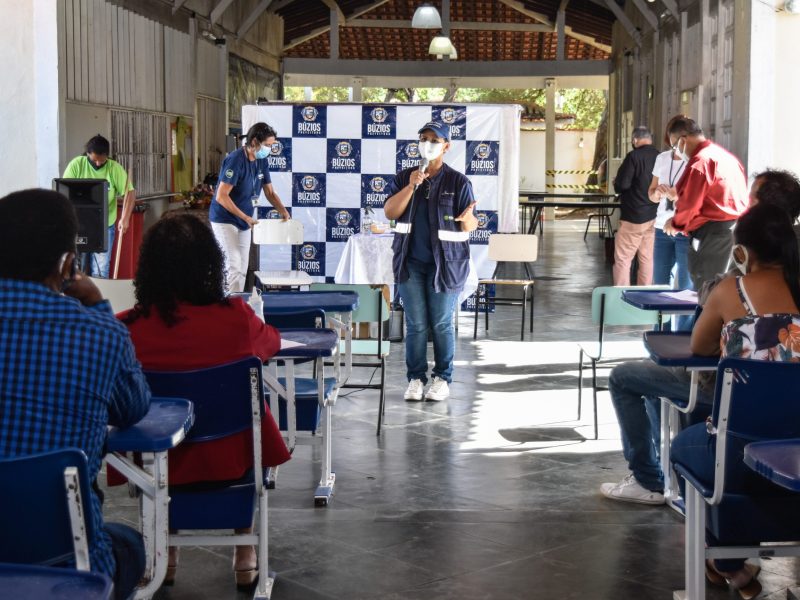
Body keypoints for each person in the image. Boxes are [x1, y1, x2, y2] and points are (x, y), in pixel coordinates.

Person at [118, 212, 291, 587]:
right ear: (211, 265)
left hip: (158, 465)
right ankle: (245, 553)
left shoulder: (127, 327)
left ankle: (167, 549)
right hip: (231, 458)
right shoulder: (237, 318)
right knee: (246, 426)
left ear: (148, 268)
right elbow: (273, 341)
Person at [0, 189, 150, 600]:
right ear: (68, 264)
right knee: (130, 546)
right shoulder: (100, 333)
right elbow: (133, 408)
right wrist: (100, 307)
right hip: (67, 559)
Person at [670, 202, 800, 599]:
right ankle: (728, 563)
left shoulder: (731, 292)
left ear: (742, 252)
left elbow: (700, 345)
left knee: (686, 448)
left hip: (740, 458)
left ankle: (727, 562)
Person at [384, 121, 478, 402]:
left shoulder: (458, 181)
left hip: (446, 265)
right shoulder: (405, 177)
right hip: (410, 263)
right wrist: (412, 186)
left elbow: (470, 223)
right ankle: (415, 379)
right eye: (423, 138)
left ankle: (442, 378)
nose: (428, 143)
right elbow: (390, 211)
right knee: (415, 324)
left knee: (440, 323)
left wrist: (469, 221)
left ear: (446, 146)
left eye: (435, 140)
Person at [660, 118, 749, 291]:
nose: (677, 152)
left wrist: (676, 223)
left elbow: (690, 204)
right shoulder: (726, 157)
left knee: (708, 291)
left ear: (683, 141)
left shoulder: (700, 162)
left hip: (711, 234)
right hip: (737, 232)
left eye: (675, 147)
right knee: (730, 288)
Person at [210, 122, 289, 293]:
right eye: (267, 145)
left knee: (242, 268)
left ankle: (238, 305)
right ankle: (230, 308)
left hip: (244, 221)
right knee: (233, 265)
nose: (269, 149)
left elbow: (269, 192)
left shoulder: (261, 160)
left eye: (271, 146)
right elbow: (221, 195)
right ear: (254, 142)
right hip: (225, 220)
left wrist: (283, 210)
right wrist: (245, 217)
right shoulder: (235, 160)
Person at [63, 134, 136, 278]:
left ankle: (98, 298)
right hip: (80, 225)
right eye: (94, 160)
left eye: (102, 160)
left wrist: (125, 218)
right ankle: (79, 299)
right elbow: (65, 190)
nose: (98, 164)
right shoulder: (77, 164)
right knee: (78, 268)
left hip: (105, 225)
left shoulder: (114, 168)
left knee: (101, 269)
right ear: (88, 154)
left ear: (107, 156)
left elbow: (130, 193)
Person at [612, 126, 660, 285]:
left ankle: (620, 296)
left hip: (633, 217)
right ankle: (644, 295)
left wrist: (615, 183)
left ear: (634, 140)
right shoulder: (660, 157)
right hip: (653, 216)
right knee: (647, 259)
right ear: (650, 139)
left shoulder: (633, 157)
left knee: (623, 259)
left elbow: (622, 185)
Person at [648, 116, 691, 292]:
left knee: (685, 284)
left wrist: (677, 195)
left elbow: (698, 197)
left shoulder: (693, 162)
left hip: (684, 227)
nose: (676, 147)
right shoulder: (662, 158)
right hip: (661, 227)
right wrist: (657, 193)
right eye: (673, 142)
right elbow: (651, 193)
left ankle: (684, 320)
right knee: (659, 282)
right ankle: (660, 320)